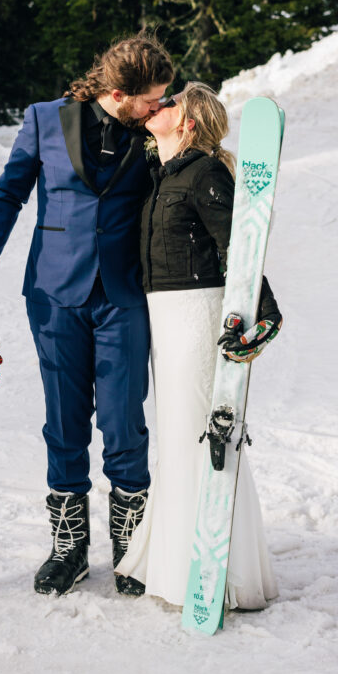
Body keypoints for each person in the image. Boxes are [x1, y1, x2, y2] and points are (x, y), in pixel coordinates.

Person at [0, 34, 174, 597]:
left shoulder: (155, 130)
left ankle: (133, 547)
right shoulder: (45, 120)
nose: (160, 107)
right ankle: (68, 548)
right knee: (65, 420)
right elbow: (9, 194)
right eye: (152, 98)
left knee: (125, 419)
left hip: (125, 294)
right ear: (120, 93)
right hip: (54, 292)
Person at [115, 82, 281, 610]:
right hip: (164, 316)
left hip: (195, 312)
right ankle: (176, 560)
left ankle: (214, 571)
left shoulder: (205, 172)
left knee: (198, 434)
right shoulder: (161, 174)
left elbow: (241, 242)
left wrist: (265, 313)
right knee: (178, 434)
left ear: (187, 123)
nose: (157, 108)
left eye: (169, 105)